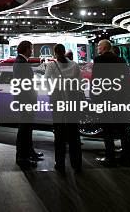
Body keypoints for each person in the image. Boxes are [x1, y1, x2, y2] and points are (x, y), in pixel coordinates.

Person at [91, 39, 130, 167]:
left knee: (108, 130)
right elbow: (126, 81)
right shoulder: (121, 61)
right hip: (122, 99)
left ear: (104, 48)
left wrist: (94, 98)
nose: (97, 48)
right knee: (124, 129)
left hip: (105, 99)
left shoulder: (99, 60)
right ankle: (127, 158)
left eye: (99, 46)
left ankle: (110, 158)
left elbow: (97, 81)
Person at [44, 44, 83, 173]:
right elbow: (79, 82)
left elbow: (46, 81)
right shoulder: (74, 65)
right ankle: (76, 163)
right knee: (74, 133)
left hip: (58, 99)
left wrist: (52, 93)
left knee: (59, 132)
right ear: (64, 52)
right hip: (72, 99)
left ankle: (60, 164)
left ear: (55, 52)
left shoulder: (51, 65)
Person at [13, 40, 42, 168]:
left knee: (27, 128)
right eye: (30, 48)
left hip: (26, 100)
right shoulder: (20, 62)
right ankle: (21, 157)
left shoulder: (21, 61)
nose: (32, 51)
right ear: (25, 49)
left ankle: (30, 152)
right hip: (25, 101)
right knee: (24, 130)